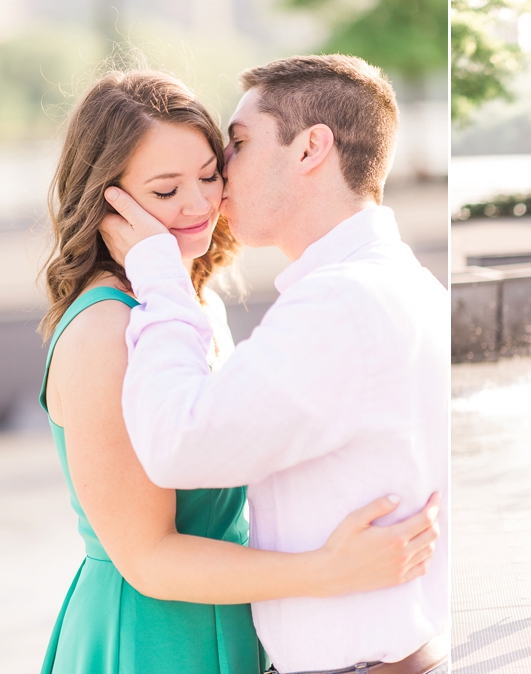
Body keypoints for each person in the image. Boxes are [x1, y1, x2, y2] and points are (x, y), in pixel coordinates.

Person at [40, 69, 440, 674]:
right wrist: (324, 573)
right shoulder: (105, 329)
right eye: (166, 190)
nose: (201, 204)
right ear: (109, 200)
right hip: (154, 634)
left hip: (241, 613)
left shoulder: (193, 303)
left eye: (209, 175)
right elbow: (147, 558)